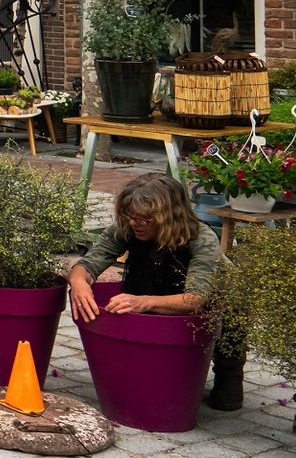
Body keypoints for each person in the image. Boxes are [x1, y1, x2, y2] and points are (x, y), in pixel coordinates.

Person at [68, 174, 239, 409]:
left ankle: (229, 376)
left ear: (169, 217)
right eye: (130, 216)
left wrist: (143, 302)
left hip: (218, 297)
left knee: (227, 389)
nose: (135, 223)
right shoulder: (128, 228)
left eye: (145, 219)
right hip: (159, 286)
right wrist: (78, 283)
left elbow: (195, 299)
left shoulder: (201, 238)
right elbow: (87, 265)